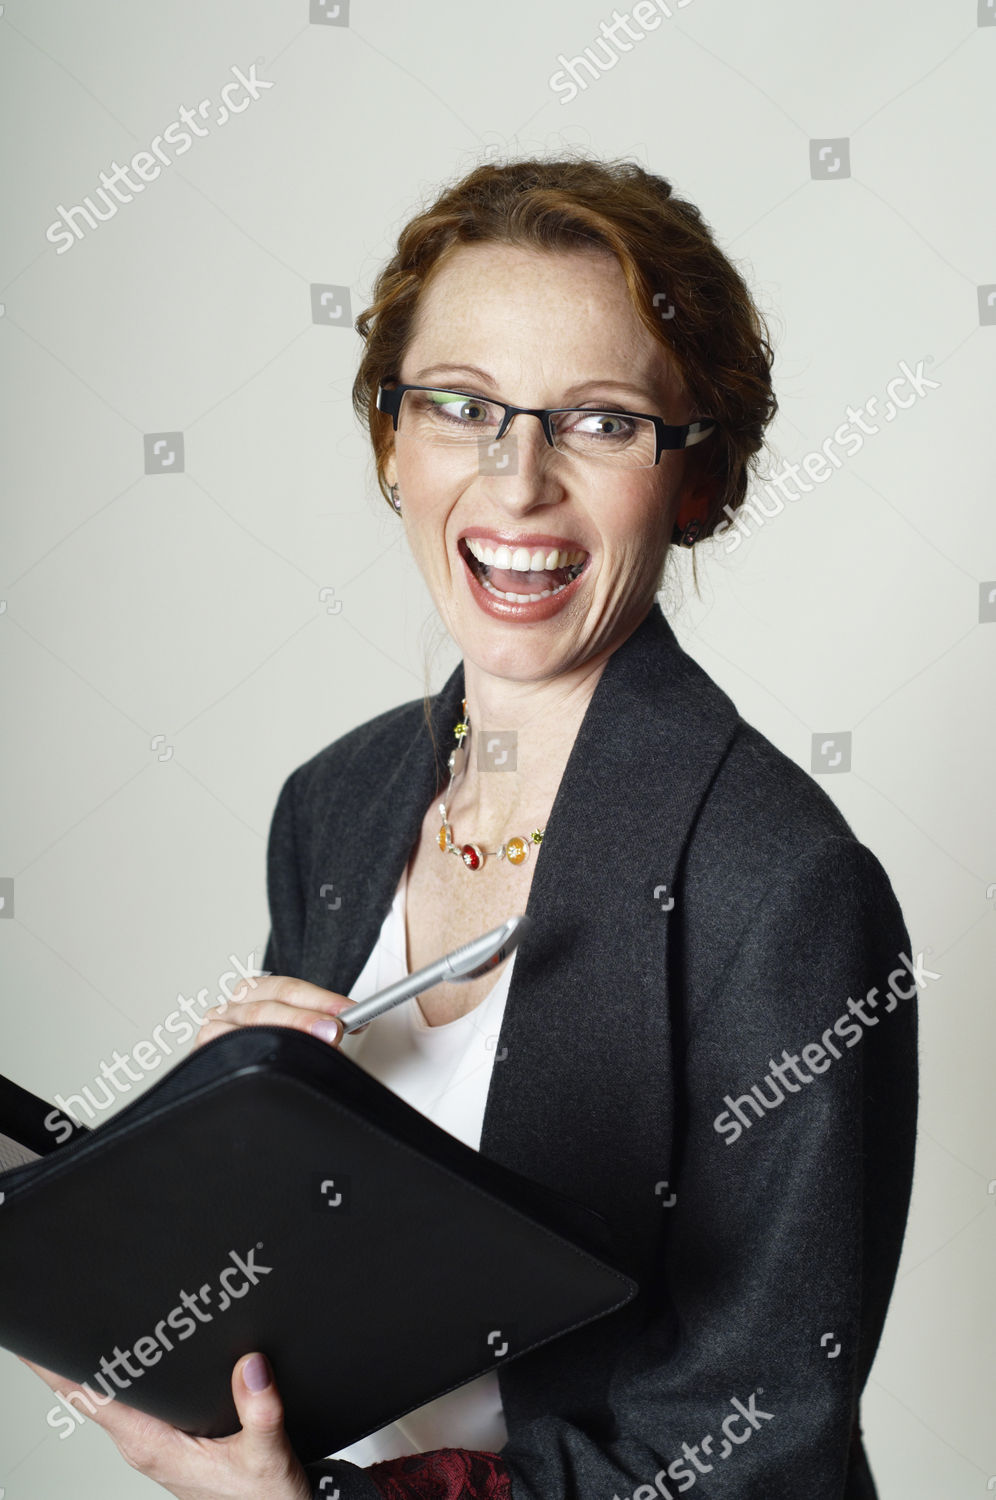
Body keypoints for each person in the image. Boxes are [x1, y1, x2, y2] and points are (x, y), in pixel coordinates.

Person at [23, 155, 919, 1500]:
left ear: (695, 478)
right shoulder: (332, 808)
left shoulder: (785, 891)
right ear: (393, 437)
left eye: (602, 422)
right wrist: (215, 1148)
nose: (517, 486)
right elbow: (334, 1304)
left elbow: (761, 1442)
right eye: (461, 406)